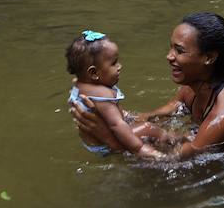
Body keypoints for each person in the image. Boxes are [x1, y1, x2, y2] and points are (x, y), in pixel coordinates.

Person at [70, 13, 224, 161]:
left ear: (209, 58)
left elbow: (177, 163)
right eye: (170, 47)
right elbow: (158, 114)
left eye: (179, 51)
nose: (169, 56)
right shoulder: (192, 86)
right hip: (209, 140)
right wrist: (114, 115)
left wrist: (108, 140)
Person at [65, 29, 164, 159]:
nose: (119, 66)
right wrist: (139, 148)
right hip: (106, 145)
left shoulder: (79, 84)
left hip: (92, 143)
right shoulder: (103, 94)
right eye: (113, 63)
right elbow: (117, 124)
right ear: (93, 73)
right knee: (149, 128)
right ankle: (169, 140)